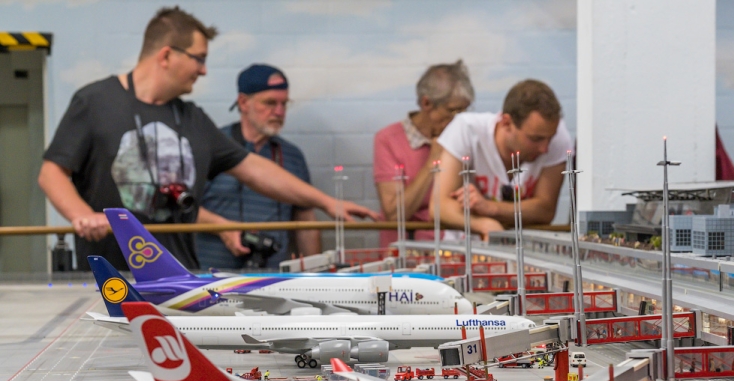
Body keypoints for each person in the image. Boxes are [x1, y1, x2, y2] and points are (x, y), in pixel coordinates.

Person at [39, 6, 375, 271]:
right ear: (167, 55)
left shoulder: (193, 119)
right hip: (110, 275)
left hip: (180, 276)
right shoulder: (95, 101)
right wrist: (82, 214)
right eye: (199, 58)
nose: (204, 70)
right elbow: (52, 173)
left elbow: (255, 169)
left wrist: (326, 202)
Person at [196, 64, 321, 269]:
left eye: (284, 104)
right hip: (212, 278)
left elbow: (306, 223)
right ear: (244, 102)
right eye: (270, 103)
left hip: (274, 280)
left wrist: (317, 273)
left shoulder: (293, 156)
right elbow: (185, 210)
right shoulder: (212, 146)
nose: (279, 112)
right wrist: (223, 229)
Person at [433, 79, 573, 240]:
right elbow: (439, 206)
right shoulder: (466, 129)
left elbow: (545, 210)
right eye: (535, 139)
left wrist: (491, 208)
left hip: (525, 252)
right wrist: (484, 225)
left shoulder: (557, 137)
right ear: (506, 122)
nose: (545, 148)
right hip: (463, 252)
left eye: (550, 138)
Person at [373, 60, 474, 247]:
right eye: (452, 111)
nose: (459, 119)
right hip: (406, 252)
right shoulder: (388, 139)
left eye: (464, 111)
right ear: (426, 103)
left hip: (455, 248)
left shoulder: (466, 136)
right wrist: (432, 161)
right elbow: (394, 214)